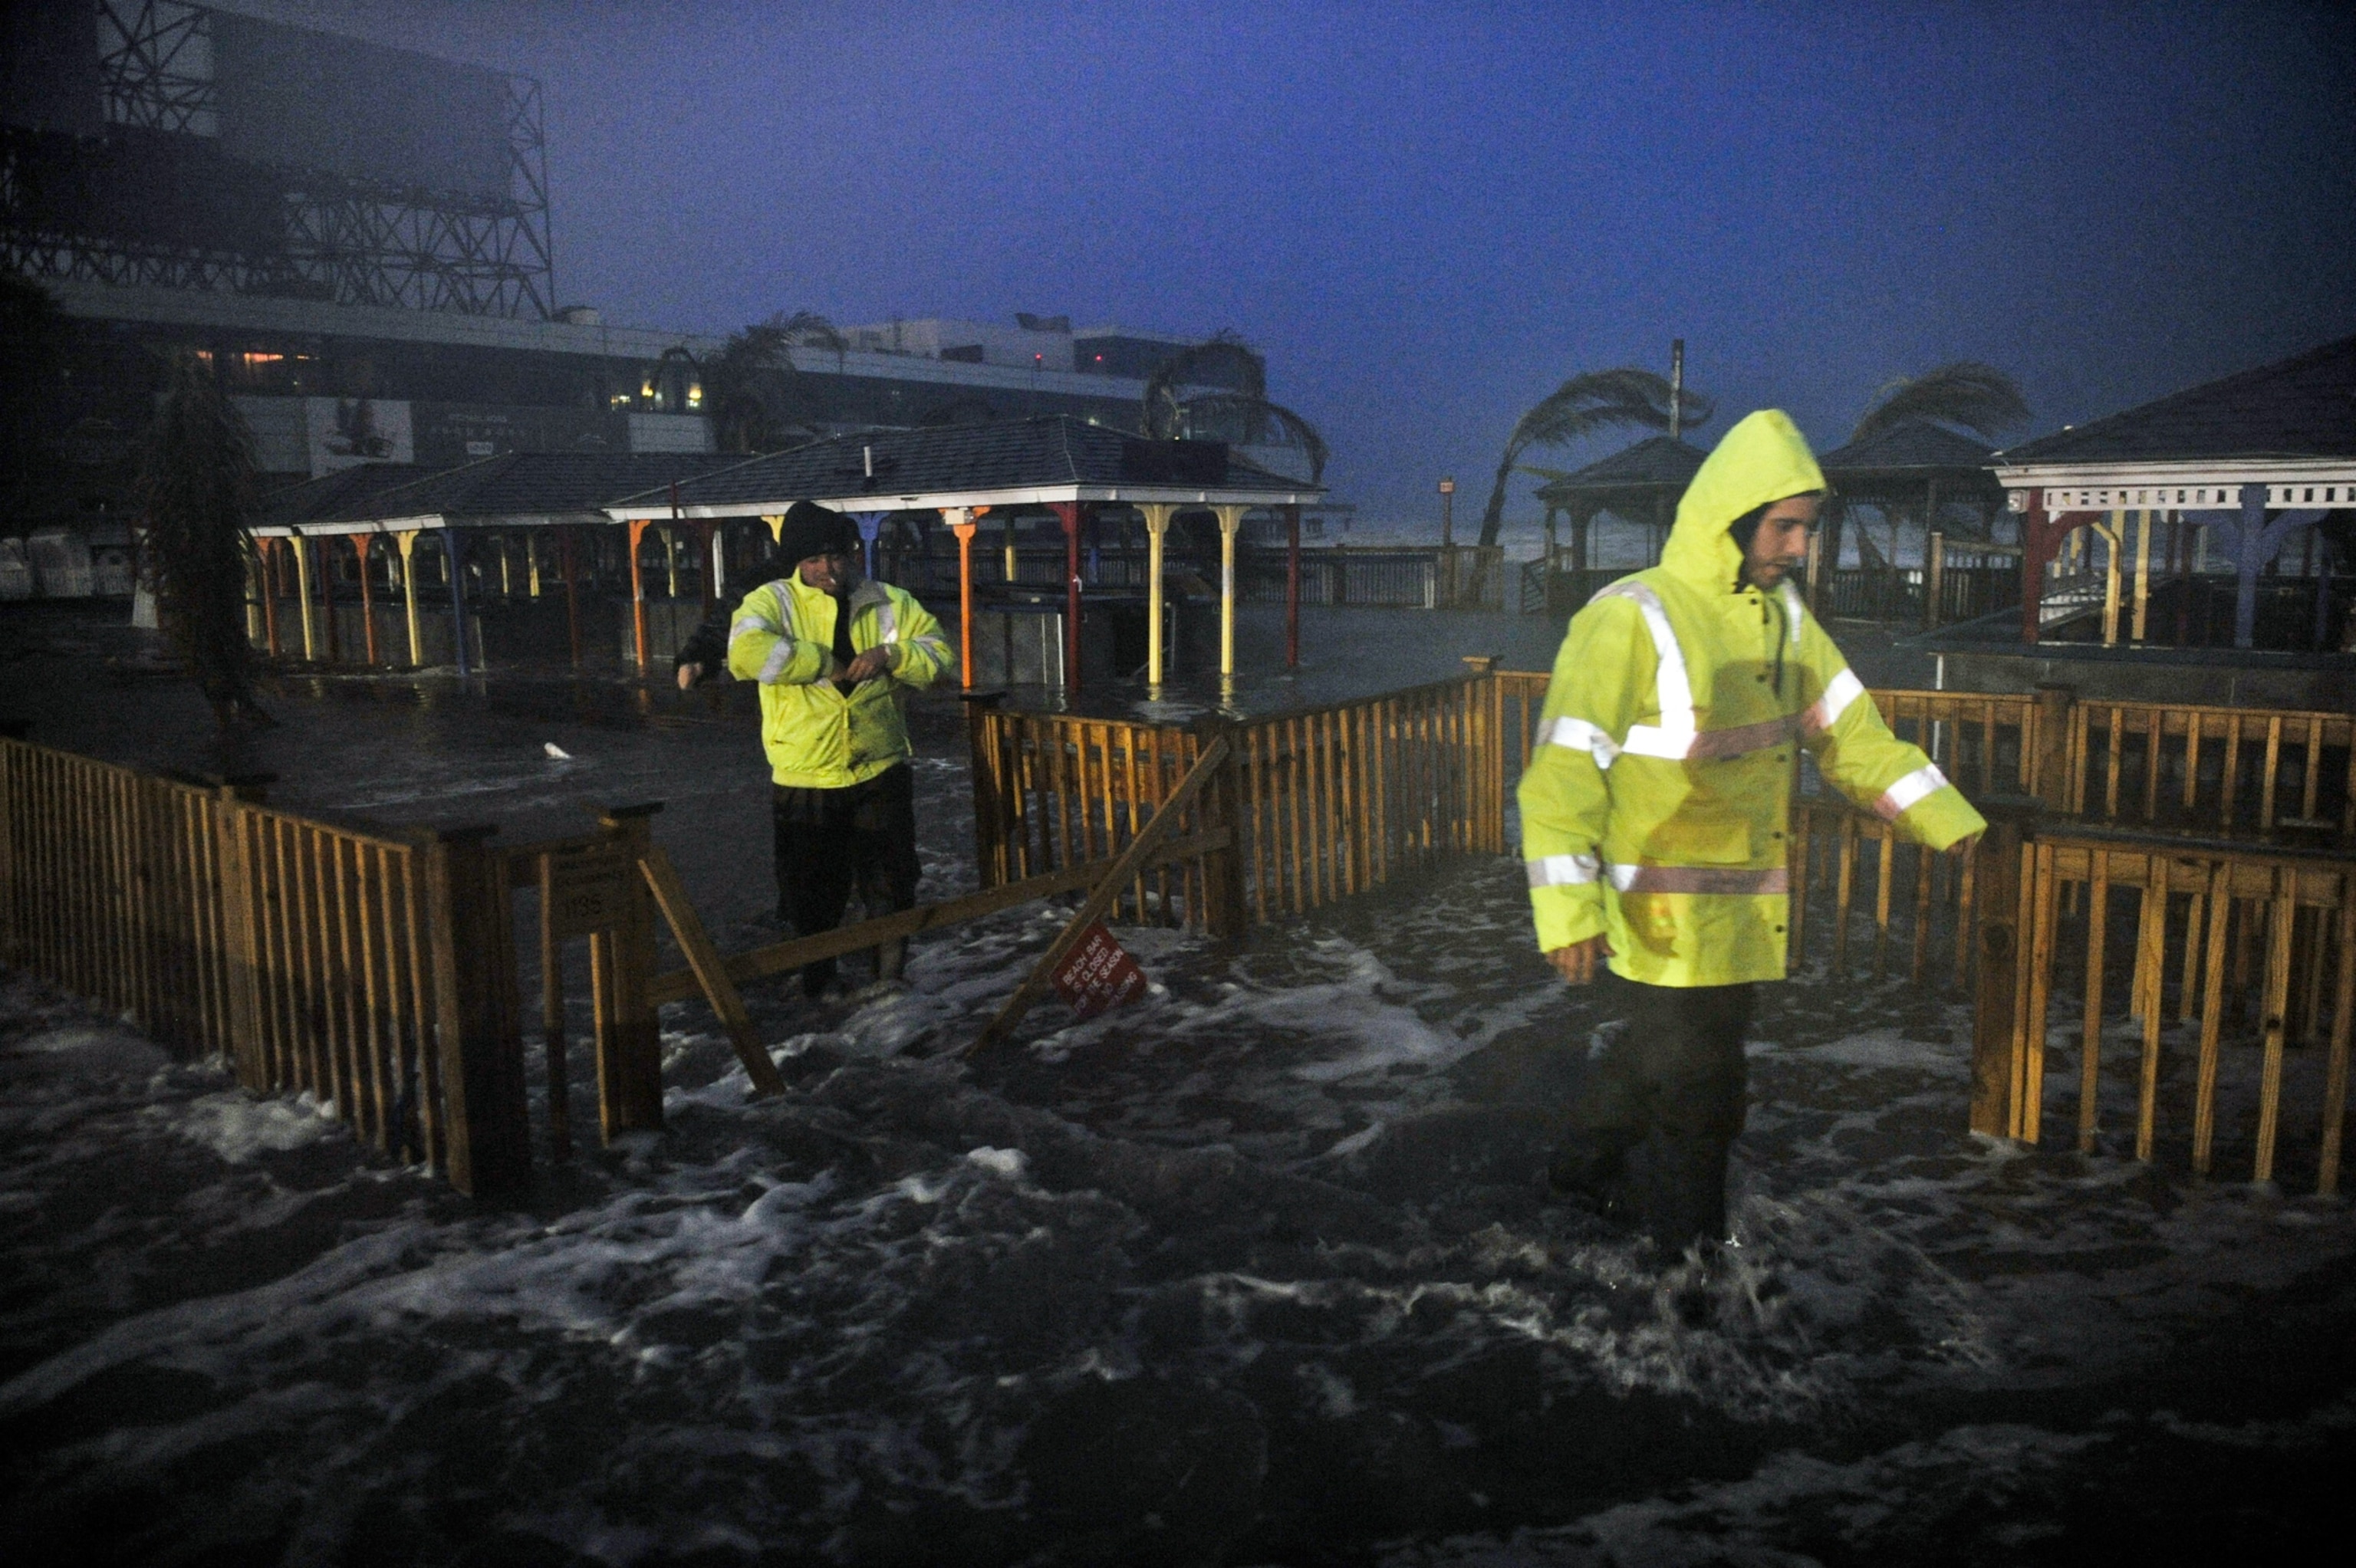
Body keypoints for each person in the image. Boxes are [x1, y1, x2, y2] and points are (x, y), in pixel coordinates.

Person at [1519, 409, 1985, 1250]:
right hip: (1657, 917)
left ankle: (1578, 1172)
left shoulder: (1787, 619)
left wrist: (1946, 817)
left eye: (1807, 528)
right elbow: (1560, 777)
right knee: (1704, 1096)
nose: (1799, 547)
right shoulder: (1633, 616)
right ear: (1731, 516)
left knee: (1659, 1066)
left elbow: (1853, 736)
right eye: (1784, 526)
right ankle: (1695, 1279)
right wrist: (1570, 914)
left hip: (1742, 917)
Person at [712, 501, 954, 997]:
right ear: (797, 560)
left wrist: (892, 655)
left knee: (891, 884)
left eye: (838, 555)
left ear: (852, 554)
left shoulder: (889, 601)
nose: (828, 568)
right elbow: (744, 653)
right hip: (806, 778)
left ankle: (889, 986)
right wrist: (822, 662)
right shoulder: (770, 602)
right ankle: (819, 987)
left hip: (880, 771)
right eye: (815, 558)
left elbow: (939, 658)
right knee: (811, 895)